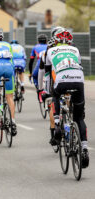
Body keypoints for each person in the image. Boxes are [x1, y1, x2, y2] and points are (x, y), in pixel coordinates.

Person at [43, 28, 89, 168]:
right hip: (78, 81)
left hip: (62, 80)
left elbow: (47, 75)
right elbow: (78, 67)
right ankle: (85, 148)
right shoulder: (75, 50)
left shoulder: (50, 51)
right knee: (79, 118)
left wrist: (45, 91)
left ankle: (57, 124)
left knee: (54, 94)